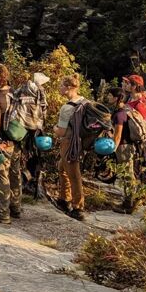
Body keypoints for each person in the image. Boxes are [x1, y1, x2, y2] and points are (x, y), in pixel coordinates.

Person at [0, 62, 21, 224]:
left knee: (2, 175)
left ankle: (3, 212)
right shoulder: (16, 93)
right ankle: (16, 207)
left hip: (3, 141)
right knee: (15, 173)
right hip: (17, 140)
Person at [54, 74, 87, 221]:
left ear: (68, 87)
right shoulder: (84, 101)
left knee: (73, 174)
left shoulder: (67, 108)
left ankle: (77, 207)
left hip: (68, 142)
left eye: (61, 85)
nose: (59, 88)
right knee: (62, 168)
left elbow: (61, 131)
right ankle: (63, 198)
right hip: (80, 142)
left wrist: (54, 128)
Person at [105, 87, 136, 213]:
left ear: (116, 98)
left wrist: (112, 149)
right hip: (125, 146)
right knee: (126, 175)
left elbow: (118, 135)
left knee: (127, 175)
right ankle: (129, 201)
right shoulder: (122, 111)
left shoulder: (120, 114)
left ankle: (129, 204)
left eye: (110, 95)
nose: (108, 97)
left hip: (124, 147)